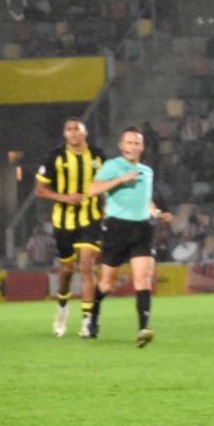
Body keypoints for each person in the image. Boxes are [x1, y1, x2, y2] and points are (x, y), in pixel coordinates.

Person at [87, 127, 173, 347]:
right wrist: (120, 180)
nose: (132, 147)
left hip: (143, 228)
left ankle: (143, 329)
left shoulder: (147, 171)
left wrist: (157, 213)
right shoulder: (112, 166)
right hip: (117, 229)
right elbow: (92, 190)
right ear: (121, 145)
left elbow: (147, 201)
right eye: (129, 142)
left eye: (136, 143)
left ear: (142, 147)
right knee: (107, 284)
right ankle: (93, 315)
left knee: (142, 280)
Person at [34, 117, 106, 338]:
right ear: (65, 134)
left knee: (86, 266)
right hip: (63, 222)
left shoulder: (98, 156)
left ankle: (87, 321)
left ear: (85, 133)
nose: (73, 133)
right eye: (69, 129)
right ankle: (62, 308)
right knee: (66, 271)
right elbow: (40, 190)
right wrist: (64, 197)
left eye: (77, 129)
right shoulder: (54, 157)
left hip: (91, 219)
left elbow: (108, 182)